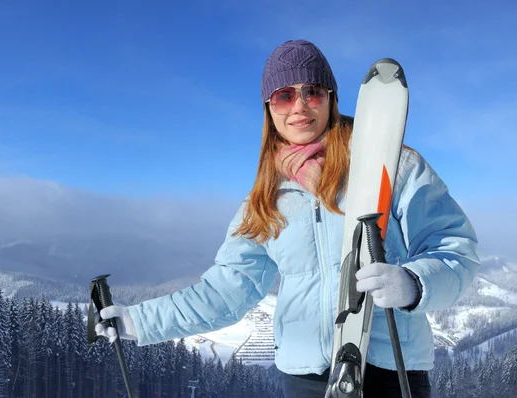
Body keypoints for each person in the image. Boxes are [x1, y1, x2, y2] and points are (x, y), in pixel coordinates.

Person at [95, 39, 480, 398]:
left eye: (312, 91)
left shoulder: (394, 166)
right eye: (284, 95)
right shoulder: (264, 200)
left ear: (331, 98)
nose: (299, 106)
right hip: (304, 382)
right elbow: (227, 291)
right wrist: (139, 321)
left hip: (391, 372)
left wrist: (414, 283)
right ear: (269, 109)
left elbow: (455, 250)